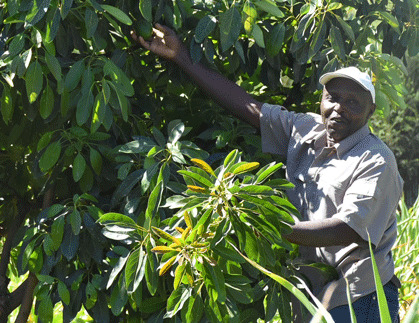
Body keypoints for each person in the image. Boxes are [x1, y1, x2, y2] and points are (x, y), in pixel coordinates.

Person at [133, 23, 403, 323]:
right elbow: (248, 107)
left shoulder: (376, 160)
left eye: (353, 102)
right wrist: (182, 56)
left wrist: (266, 227)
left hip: (359, 299)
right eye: (333, 97)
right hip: (309, 296)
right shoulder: (304, 128)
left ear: (370, 112)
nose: (339, 107)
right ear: (321, 100)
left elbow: (348, 229)